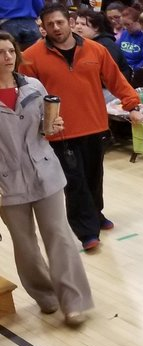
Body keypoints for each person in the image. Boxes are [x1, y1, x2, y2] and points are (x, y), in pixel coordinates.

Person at [21, 5, 142, 250]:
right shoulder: (31, 56)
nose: (56, 28)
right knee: (74, 181)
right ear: (43, 28)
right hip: (60, 132)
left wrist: (132, 105)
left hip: (94, 126)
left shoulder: (96, 50)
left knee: (94, 176)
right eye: (50, 24)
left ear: (70, 21)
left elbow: (116, 79)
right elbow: (27, 96)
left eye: (59, 22)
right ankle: (86, 231)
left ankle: (95, 213)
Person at [0, 31, 92, 325]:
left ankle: (73, 302)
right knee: (25, 245)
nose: (7, 57)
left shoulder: (34, 87)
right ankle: (46, 296)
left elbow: (46, 126)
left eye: (11, 51)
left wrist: (54, 125)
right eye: (0, 53)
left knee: (60, 237)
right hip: (6, 184)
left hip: (45, 173)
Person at [77, 9, 130, 79]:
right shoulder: (83, 42)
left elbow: (109, 75)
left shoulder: (107, 46)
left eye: (83, 24)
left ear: (96, 28)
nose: (78, 27)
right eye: (77, 23)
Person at [116, 7, 143, 72]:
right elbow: (117, 51)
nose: (125, 27)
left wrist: (134, 69)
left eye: (127, 24)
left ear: (138, 22)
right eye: (123, 25)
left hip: (135, 71)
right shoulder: (125, 33)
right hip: (121, 68)